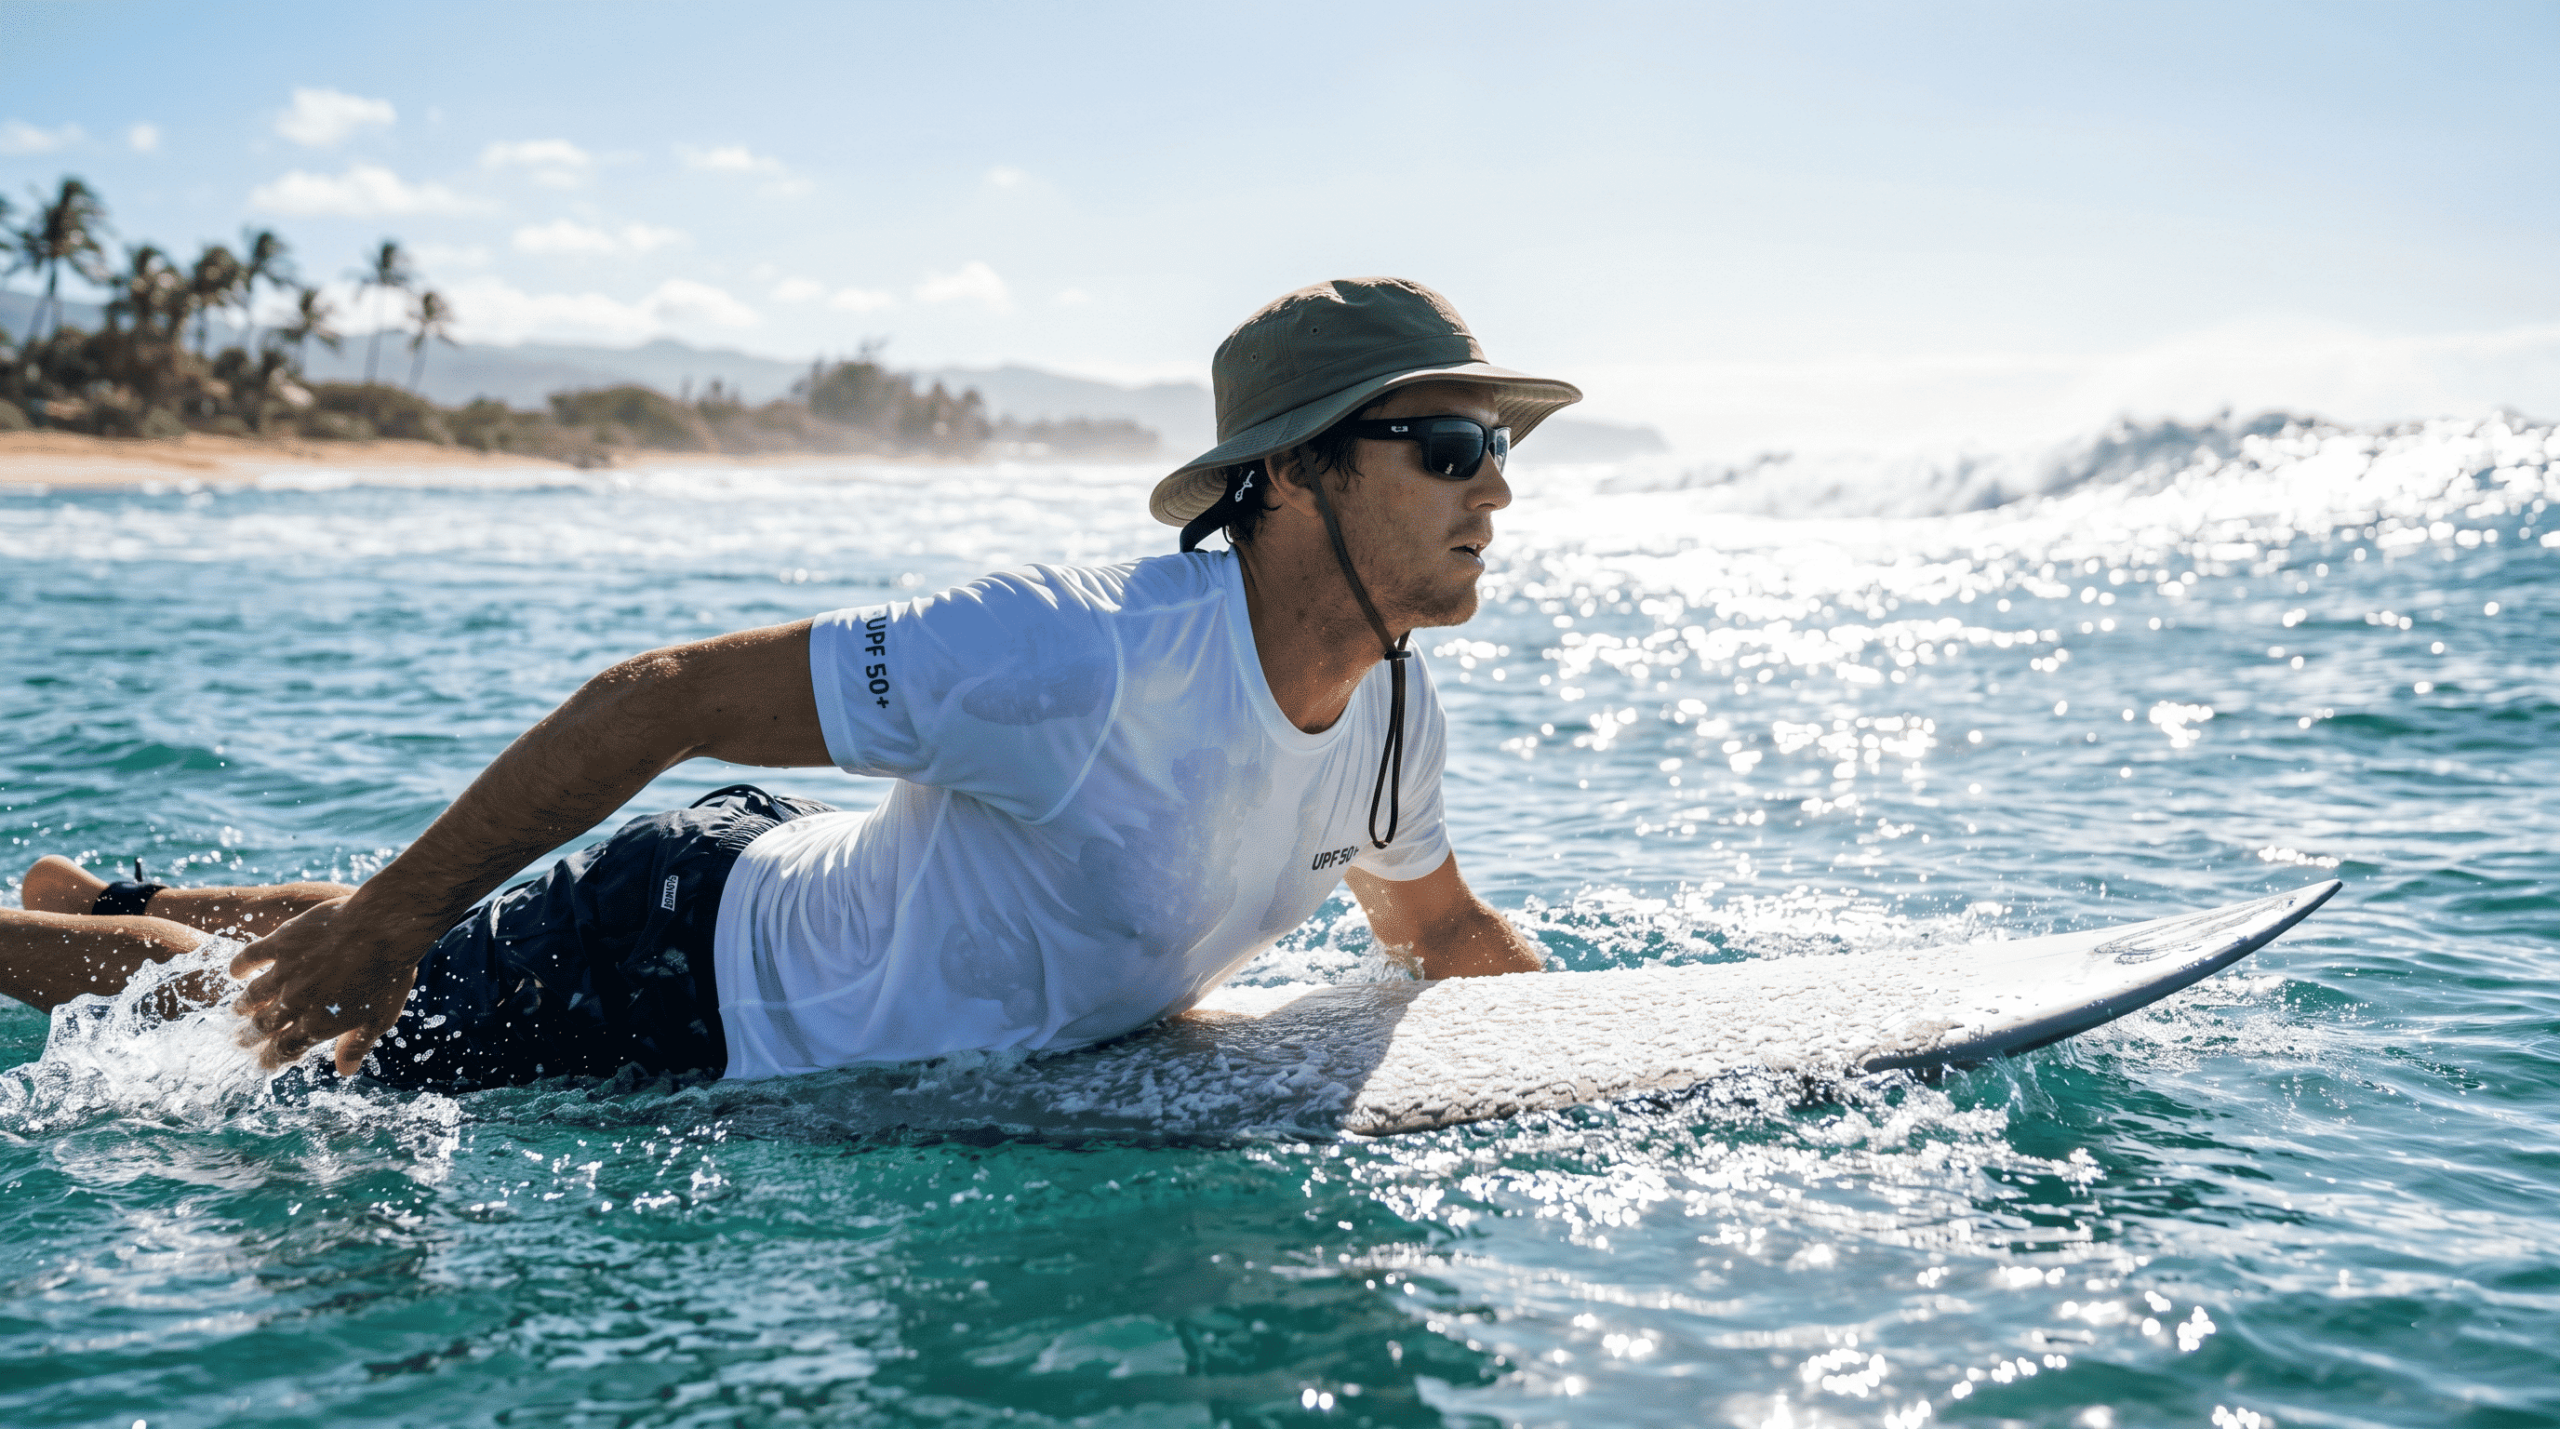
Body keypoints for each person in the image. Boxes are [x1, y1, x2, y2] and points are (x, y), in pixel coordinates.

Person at [0, 277, 1584, 1089]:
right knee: (278, 1016)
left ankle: (115, 891)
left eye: (1501, 449)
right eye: (1451, 447)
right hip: (682, 971)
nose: (1497, 489)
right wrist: (389, 923)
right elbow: (662, 694)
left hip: (783, 881)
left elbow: (1436, 929)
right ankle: (76, 940)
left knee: (410, 929)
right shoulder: (1072, 649)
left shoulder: (1393, 712)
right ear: (1292, 472)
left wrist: (1596, 1056)